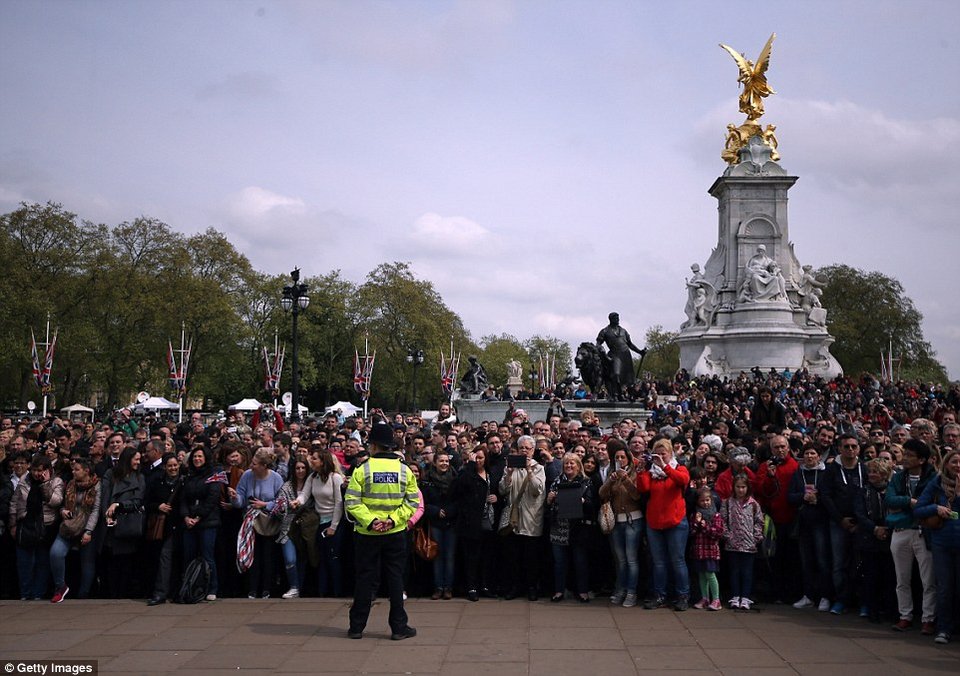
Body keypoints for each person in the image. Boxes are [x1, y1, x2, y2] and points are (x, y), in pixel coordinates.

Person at [344, 421, 419, 640]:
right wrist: (391, 520)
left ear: (374, 446)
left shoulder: (362, 469)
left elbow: (352, 501)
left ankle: (357, 627)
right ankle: (398, 627)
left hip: (367, 534)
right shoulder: (404, 470)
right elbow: (412, 502)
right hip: (394, 533)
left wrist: (372, 521)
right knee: (395, 579)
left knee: (365, 579)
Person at [884, 439, 937, 634]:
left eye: (909, 455)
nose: (904, 458)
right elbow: (889, 499)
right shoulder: (898, 477)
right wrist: (911, 502)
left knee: (928, 579)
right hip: (901, 531)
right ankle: (905, 615)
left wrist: (912, 505)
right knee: (902, 578)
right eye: (904, 454)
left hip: (924, 533)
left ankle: (928, 618)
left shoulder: (933, 478)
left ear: (921, 459)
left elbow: (933, 502)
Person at [637, 438, 691, 611]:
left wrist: (665, 467)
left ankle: (683, 595)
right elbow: (643, 488)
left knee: (677, 560)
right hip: (655, 522)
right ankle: (659, 595)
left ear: (670, 454)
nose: (660, 457)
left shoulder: (678, 468)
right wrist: (642, 470)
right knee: (658, 562)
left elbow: (683, 480)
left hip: (675, 521)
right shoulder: (651, 472)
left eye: (663, 454)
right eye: (657, 454)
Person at [914, 449, 960, 644]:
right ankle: (944, 628)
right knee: (944, 587)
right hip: (942, 543)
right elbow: (919, 509)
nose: (958, 466)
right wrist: (936, 508)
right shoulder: (937, 483)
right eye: (954, 462)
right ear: (946, 464)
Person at [233, 447, 284, 599]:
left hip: (269, 523)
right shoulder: (247, 476)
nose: (251, 466)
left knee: (268, 556)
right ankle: (252, 588)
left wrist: (265, 505)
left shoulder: (276, 478)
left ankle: (267, 588)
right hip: (250, 522)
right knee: (253, 556)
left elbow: (281, 502)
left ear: (264, 466)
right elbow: (241, 500)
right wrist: (235, 497)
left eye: (255, 464)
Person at [499, 435, 546, 601]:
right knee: (514, 557)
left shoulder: (538, 468)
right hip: (514, 519)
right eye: (521, 448)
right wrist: (509, 474)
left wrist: (529, 471)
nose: (524, 451)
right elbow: (503, 490)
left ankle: (532, 587)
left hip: (531, 519)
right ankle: (515, 587)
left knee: (531, 558)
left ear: (533, 451)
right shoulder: (510, 467)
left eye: (528, 448)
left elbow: (537, 490)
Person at [10, 455, 64, 600]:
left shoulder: (56, 481)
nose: (37, 473)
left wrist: (45, 484)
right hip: (25, 524)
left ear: (47, 470)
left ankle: (38, 594)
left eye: (40, 470)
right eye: (34, 470)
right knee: (24, 563)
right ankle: (25, 594)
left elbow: (56, 501)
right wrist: (13, 524)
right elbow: (14, 503)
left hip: (45, 526)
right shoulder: (24, 481)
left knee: (42, 562)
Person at [49, 457, 101, 603]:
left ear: (86, 471)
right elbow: (62, 503)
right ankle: (60, 586)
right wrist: (63, 511)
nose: (73, 472)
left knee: (87, 563)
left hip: (86, 527)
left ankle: (83, 595)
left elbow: (95, 510)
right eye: (73, 469)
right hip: (69, 526)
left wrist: (89, 531)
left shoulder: (96, 485)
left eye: (77, 469)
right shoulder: (71, 484)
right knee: (55, 553)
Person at [295, 447, 344, 597]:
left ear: (323, 461)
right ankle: (323, 592)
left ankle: (337, 591)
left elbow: (339, 503)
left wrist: (333, 526)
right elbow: (305, 494)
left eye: (314, 458)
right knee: (321, 558)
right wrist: (297, 501)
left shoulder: (335, 478)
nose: (311, 460)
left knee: (333, 558)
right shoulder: (313, 477)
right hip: (319, 522)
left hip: (333, 522)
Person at [787, 446, 832, 612]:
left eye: (813, 453)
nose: (809, 456)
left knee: (822, 560)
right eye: (806, 453)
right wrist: (803, 497)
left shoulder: (826, 473)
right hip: (804, 522)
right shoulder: (798, 474)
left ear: (819, 456)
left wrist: (818, 498)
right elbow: (790, 496)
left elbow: (830, 495)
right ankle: (808, 595)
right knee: (806, 561)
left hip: (821, 521)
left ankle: (825, 596)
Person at [546, 454, 594, 603]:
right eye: (566, 464)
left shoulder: (586, 482)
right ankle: (559, 591)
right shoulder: (557, 481)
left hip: (578, 528)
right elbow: (548, 505)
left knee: (580, 561)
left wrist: (583, 501)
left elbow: (592, 505)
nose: (569, 466)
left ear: (578, 466)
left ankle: (582, 591)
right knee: (559, 562)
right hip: (559, 528)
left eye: (572, 463)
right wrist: (549, 499)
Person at [599, 445, 643, 607]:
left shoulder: (635, 474)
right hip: (616, 522)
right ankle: (620, 589)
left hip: (633, 521)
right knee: (620, 560)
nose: (619, 460)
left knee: (631, 560)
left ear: (629, 459)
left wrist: (626, 479)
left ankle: (631, 592)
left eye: (622, 457)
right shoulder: (612, 475)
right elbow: (602, 494)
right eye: (616, 458)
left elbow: (637, 495)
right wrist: (610, 481)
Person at [853, 457, 896, 623]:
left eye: (875, 472)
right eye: (870, 471)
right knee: (871, 576)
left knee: (889, 576)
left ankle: (890, 609)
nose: (871, 475)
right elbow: (860, 514)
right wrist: (875, 529)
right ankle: (873, 610)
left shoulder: (892, 491)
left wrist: (886, 529)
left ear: (884, 474)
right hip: (869, 538)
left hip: (889, 537)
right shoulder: (862, 491)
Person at [100, 446, 145, 598]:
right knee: (111, 562)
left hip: (127, 524)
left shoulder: (139, 478)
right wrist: (107, 513)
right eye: (136, 459)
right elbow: (104, 496)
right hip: (111, 525)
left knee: (126, 562)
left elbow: (138, 501)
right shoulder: (110, 474)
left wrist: (119, 505)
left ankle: (123, 593)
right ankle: (112, 593)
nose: (138, 462)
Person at [453, 446, 496, 602]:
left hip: (488, 520)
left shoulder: (490, 473)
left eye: (481, 458)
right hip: (470, 521)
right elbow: (460, 486)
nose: (478, 461)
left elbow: (495, 489)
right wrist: (469, 465)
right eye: (475, 458)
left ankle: (485, 585)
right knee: (472, 556)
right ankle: (471, 587)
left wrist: (495, 497)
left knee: (486, 556)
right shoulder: (466, 472)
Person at [179, 446, 220, 601]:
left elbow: (212, 499)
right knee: (188, 555)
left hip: (207, 522)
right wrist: (186, 517)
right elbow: (183, 499)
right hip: (189, 521)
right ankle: (191, 586)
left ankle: (212, 588)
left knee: (207, 556)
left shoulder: (213, 475)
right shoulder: (188, 476)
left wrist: (198, 517)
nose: (197, 459)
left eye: (200, 456)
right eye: (195, 456)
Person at [721, 474, 764, 611]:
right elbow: (722, 521)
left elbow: (759, 521)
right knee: (734, 571)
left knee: (747, 571)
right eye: (738, 487)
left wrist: (756, 536)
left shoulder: (753, 504)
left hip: (749, 544)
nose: (741, 490)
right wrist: (727, 535)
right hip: (732, 543)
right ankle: (735, 595)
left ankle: (745, 597)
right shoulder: (727, 503)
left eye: (743, 487)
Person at [145, 453, 182, 605]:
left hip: (182, 525)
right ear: (165, 467)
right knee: (165, 559)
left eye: (175, 465)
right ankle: (161, 592)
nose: (173, 468)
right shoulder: (157, 482)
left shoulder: (184, 481)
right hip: (165, 527)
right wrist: (158, 506)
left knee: (179, 559)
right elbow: (147, 502)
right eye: (170, 466)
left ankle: (178, 591)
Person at [421, 450, 458, 600]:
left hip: (451, 522)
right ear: (435, 462)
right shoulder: (427, 479)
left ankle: (448, 587)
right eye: (441, 461)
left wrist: (448, 511)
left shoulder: (455, 478)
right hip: (435, 521)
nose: (444, 464)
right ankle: (438, 587)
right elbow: (423, 501)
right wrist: (436, 511)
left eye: (446, 461)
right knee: (437, 555)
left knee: (449, 556)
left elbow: (459, 499)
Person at [596, 312, 646, 400]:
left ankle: (624, 395)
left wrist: (640, 351)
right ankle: (615, 394)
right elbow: (598, 343)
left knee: (629, 377)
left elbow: (630, 344)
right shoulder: (605, 331)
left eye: (618, 318)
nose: (618, 320)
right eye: (616, 318)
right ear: (611, 319)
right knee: (616, 374)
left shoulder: (623, 331)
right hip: (615, 354)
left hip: (626, 354)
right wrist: (601, 349)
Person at [690, 487, 725, 610]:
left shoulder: (716, 515)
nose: (705, 503)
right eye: (702, 501)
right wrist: (696, 523)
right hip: (699, 550)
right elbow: (692, 532)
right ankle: (705, 598)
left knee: (710, 574)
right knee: (701, 575)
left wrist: (704, 526)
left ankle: (716, 599)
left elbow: (717, 533)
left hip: (711, 550)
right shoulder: (696, 515)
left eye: (707, 500)